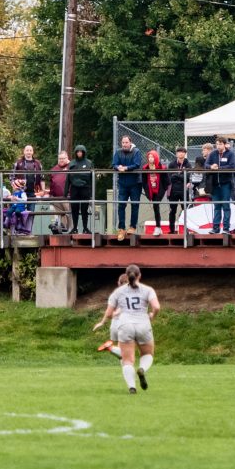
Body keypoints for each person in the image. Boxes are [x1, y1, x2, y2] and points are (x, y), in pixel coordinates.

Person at [103, 263, 160, 393]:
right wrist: (152, 315)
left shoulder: (118, 292)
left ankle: (132, 387)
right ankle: (142, 369)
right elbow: (156, 307)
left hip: (125, 326)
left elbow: (109, 313)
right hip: (143, 325)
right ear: (139, 275)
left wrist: (104, 321)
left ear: (126, 276)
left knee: (127, 360)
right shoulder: (147, 289)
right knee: (147, 353)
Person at [206, 138, 235, 233]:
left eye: (220, 144)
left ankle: (226, 228)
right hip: (214, 184)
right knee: (216, 206)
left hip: (226, 184)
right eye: (217, 144)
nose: (218, 146)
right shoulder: (212, 154)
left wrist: (219, 168)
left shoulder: (230, 154)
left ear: (225, 144)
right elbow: (206, 164)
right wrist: (210, 167)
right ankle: (215, 228)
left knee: (226, 206)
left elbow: (232, 166)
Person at [91, 273, 130, 355]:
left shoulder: (114, 295)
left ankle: (113, 350)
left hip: (115, 324)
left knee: (121, 351)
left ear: (118, 283)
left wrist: (102, 322)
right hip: (125, 323)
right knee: (127, 349)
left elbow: (109, 312)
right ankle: (110, 348)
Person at [112, 135, 141, 240]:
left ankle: (132, 227)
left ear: (130, 142)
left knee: (135, 205)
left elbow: (137, 164)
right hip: (123, 184)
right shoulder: (118, 152)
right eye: (123, 142)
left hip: (135, 183)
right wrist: (118, 167)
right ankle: (121, 228)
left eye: (126, 142)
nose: (124, 144)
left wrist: (126, 168)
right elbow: (114, 164)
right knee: (121, 205)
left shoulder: (136, 151)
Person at [141, 148, 171, 235]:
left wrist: (162, 191)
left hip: (159, 190)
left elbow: (167, 181)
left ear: (156, 158)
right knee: (155, 207)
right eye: (149, 157)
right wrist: (147, 192)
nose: (150, 158)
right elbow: (144, 182)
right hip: (151, 191)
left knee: (156, 205)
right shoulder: (145, 168)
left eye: (152, 157)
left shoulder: (162, 167)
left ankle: (158, 227)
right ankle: (158, 227)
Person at [67, 145, 95, 234]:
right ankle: (74, 228)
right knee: (74, 209)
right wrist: (65, 192)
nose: (79, 153)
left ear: (83, 152)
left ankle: (85, 228)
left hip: (85, 189)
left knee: (84, 209)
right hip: (74, 189)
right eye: (78, 151)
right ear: (76, 152)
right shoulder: (71, 163)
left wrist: (93, 192)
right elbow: (68, 178)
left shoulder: (89, 163)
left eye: (81, 151)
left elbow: (92, 178)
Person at [47, 150, 72, 234]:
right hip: (56, 197)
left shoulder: (71, 166)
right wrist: (50, 195)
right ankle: (61, 228)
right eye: (60, 158)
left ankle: (72, 230)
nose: (61, 160)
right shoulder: (54, 169)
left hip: (68, 196)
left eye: (63, 158)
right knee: (59, 214)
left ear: (67, 158)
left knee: (69, 213)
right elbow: (51, 183)